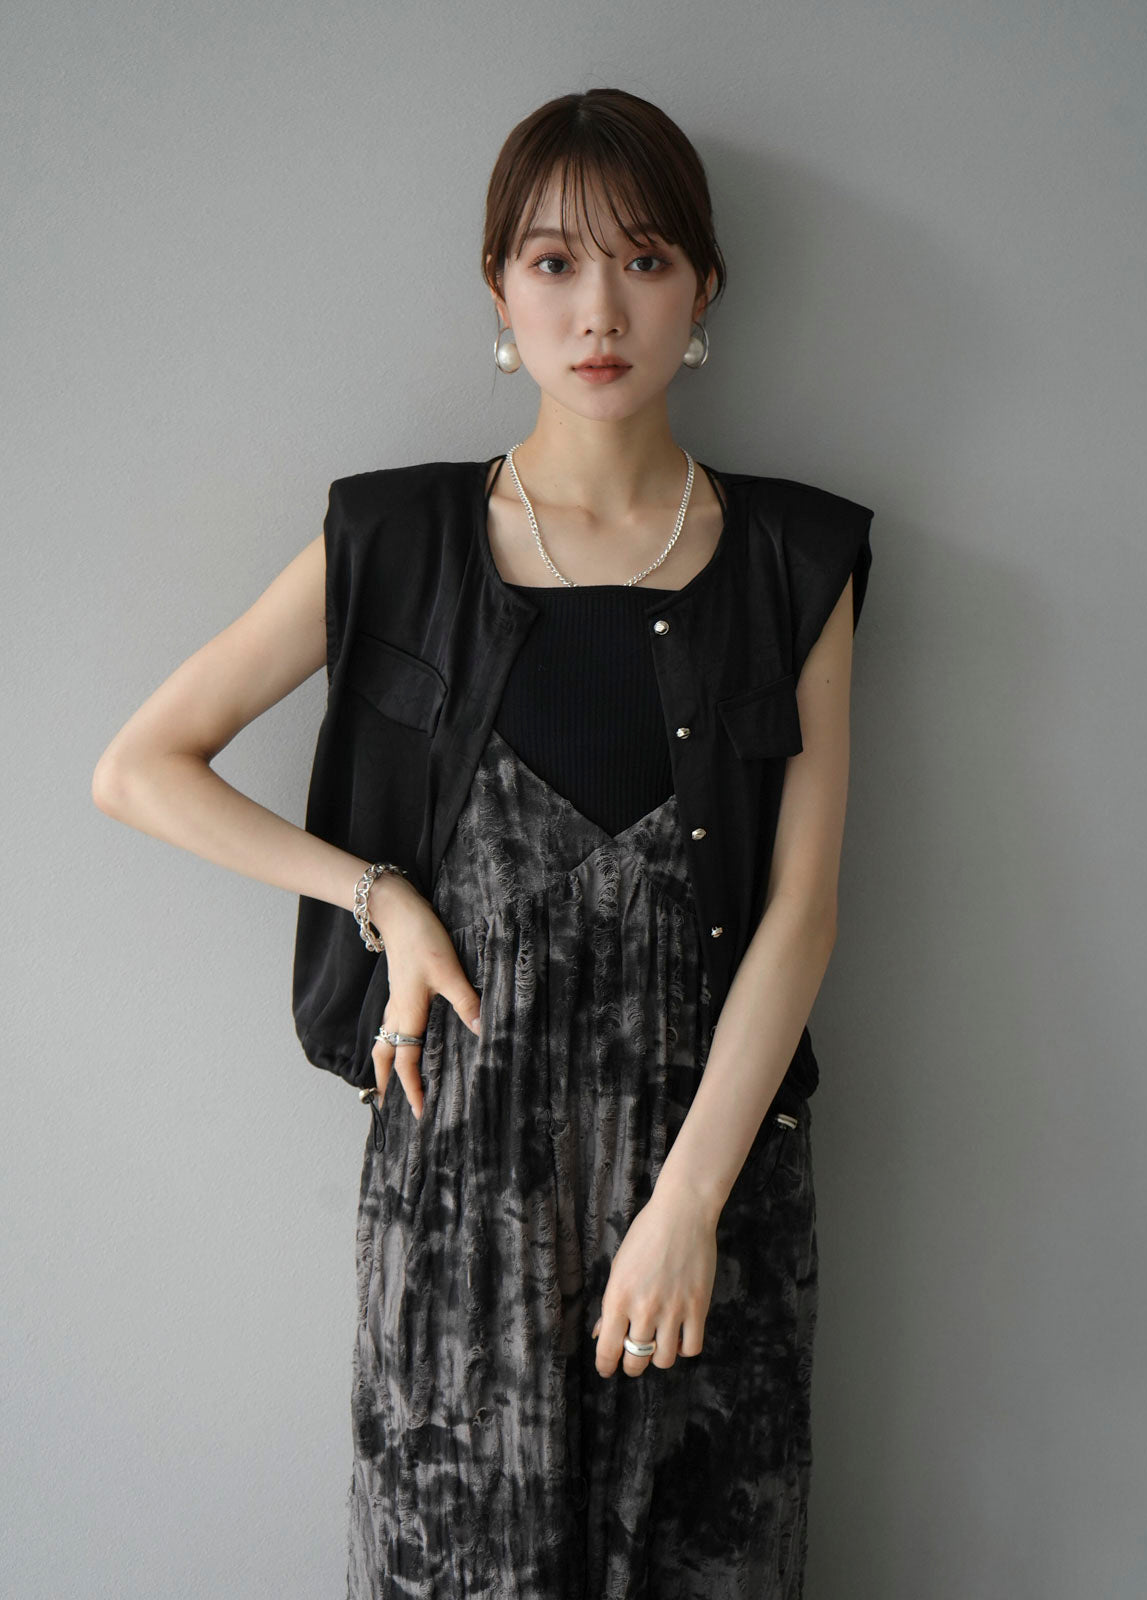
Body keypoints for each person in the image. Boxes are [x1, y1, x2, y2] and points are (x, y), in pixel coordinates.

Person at [93, 86, 873, 1600]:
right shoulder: (395, 541)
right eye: (554, 263)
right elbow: (141, 769)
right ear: (499, 294)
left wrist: (687, 1209)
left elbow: (802, 912)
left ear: (705, 287)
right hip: (457, 1199)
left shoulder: (795, 558)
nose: (600, 310)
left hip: (704, 1195)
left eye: (645, 261)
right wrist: (377, 893)